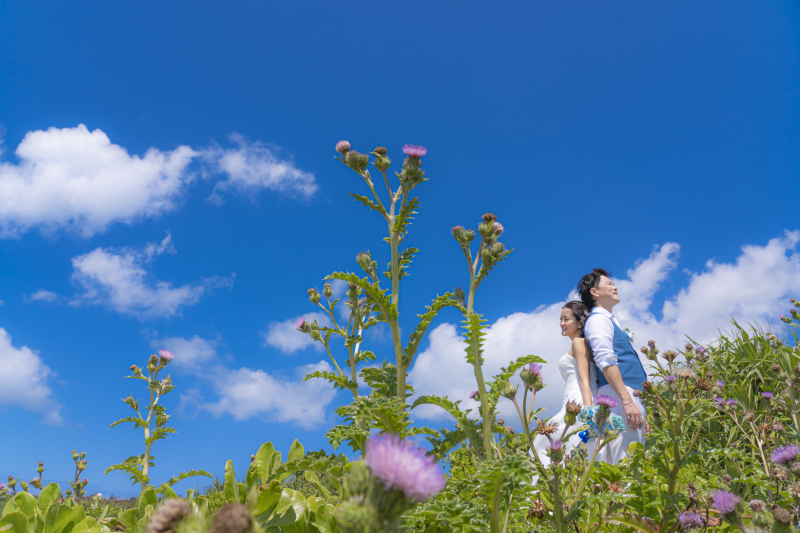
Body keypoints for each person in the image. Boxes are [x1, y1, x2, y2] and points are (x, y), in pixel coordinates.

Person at [577, 268, 648, 464]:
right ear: (594, 292)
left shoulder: (608, 320)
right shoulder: (598, 320)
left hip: (626, 394)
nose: (615, 287)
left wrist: (638, 405)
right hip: (618, 394)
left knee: (635, 455)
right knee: (624, 459)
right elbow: (606, 360)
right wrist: (626, 401)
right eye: (609, 284)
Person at [531, 301, 597, 466]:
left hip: (580, 399)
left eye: (566, 319)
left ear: (580, 322)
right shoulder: (583, 343)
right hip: (576, 398)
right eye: (561, 319)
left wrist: (588, 412)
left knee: (552, 444)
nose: (561, 323)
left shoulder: (578, 343)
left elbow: (584, 379)